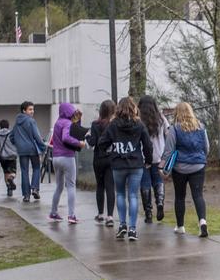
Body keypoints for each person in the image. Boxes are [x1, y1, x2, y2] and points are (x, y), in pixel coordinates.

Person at [97, 96, 153, 241]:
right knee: (133, 195)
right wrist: (148, 160)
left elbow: (102, 143)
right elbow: (147, 145)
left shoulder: (113, 125)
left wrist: (111, 153)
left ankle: (122, 225)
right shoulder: (139, 124)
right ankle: (133, 229)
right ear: (134, 108)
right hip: (136, 164)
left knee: (120, 194)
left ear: (119, 108)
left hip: (118, 164)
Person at [160, 102, 210, 237]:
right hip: (198, 166)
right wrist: (201, 158)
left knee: (180, 196)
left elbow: (169, 150)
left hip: (180, 168)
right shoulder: (200, 126)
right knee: (198, 195)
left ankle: (180, 226)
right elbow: (206, 148)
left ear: (177, 113)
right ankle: (203, 222)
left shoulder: (175, 129)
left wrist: (163, 167)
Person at [48, 102, 84, 224]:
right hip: (67, 157)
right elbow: (66, 137)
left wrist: (78, 120)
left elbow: (75, 129)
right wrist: (79, 143)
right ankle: (71, 215)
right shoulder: (67, 123)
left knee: (59, 186)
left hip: (56, 158)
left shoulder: (58, 122)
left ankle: (53, 212)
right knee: (71, 186)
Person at [137, 95, 168, 224]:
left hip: (143, 157)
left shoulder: (138, 120)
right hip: (159, 156)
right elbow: (168, 133)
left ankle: (148, 212)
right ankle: (160, 203)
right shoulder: (161, 119)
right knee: (158, 181)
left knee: (145, 183)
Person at [87, 99, 116, 227]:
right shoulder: (114, 125)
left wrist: (87, 135)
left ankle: (100, 214)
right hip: (111, 158)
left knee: (100, 186)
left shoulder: (95, 124)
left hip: (98, 159)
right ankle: (110, 216)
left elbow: (92, 142)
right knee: (110, 187)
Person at [12, 101, 47, 203]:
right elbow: (37, 136)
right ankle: (35, 189)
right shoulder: (31, 121)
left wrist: (18, 143)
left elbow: (11, 137)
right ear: (24, 110)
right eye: (30, 109)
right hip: (32, 148)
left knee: (24, 171)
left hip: (22, 150)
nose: (32, 111)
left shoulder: (17, 122)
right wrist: (43, 147)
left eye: (33, 109)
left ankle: (26, 196)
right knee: (36, 168)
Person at [0, 119, 18, 197]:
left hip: (2, 156)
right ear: (8, 126)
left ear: (0, 126)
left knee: (6, 172)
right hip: (12, 155)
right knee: (13, 171)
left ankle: (9, 189)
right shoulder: (12, 133)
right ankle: (11, 178)